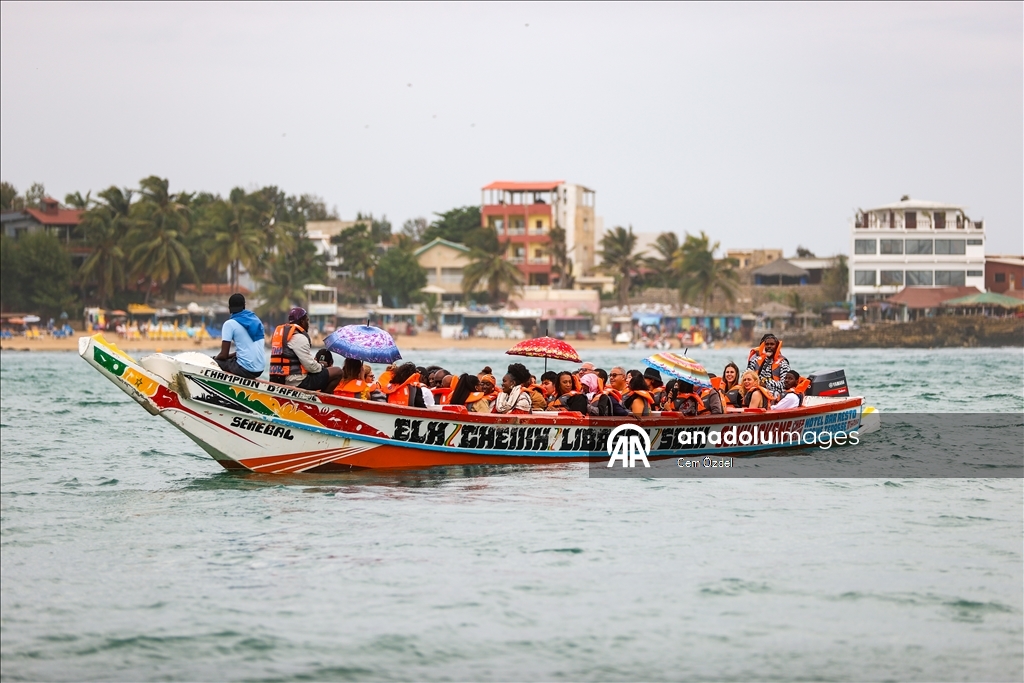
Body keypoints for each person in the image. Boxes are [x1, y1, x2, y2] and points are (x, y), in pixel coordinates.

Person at [269, 307, 343, 392]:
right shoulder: (299, 338)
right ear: (302, 321)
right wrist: (322, 366)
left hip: (279, 379)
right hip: (297, 382)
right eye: (307, 320)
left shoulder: (282, 337)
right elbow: (310, 366)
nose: (308, 324)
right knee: (338, 372)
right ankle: (322, 398)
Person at [214, 293, 265, 380]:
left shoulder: (229, 324)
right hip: (259, 369)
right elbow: (247, 350)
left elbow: (223, 355)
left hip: (245, 369)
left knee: (214, 362)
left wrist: (213, 359)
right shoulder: (256, 321)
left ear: (229, 308)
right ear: (244, 306)